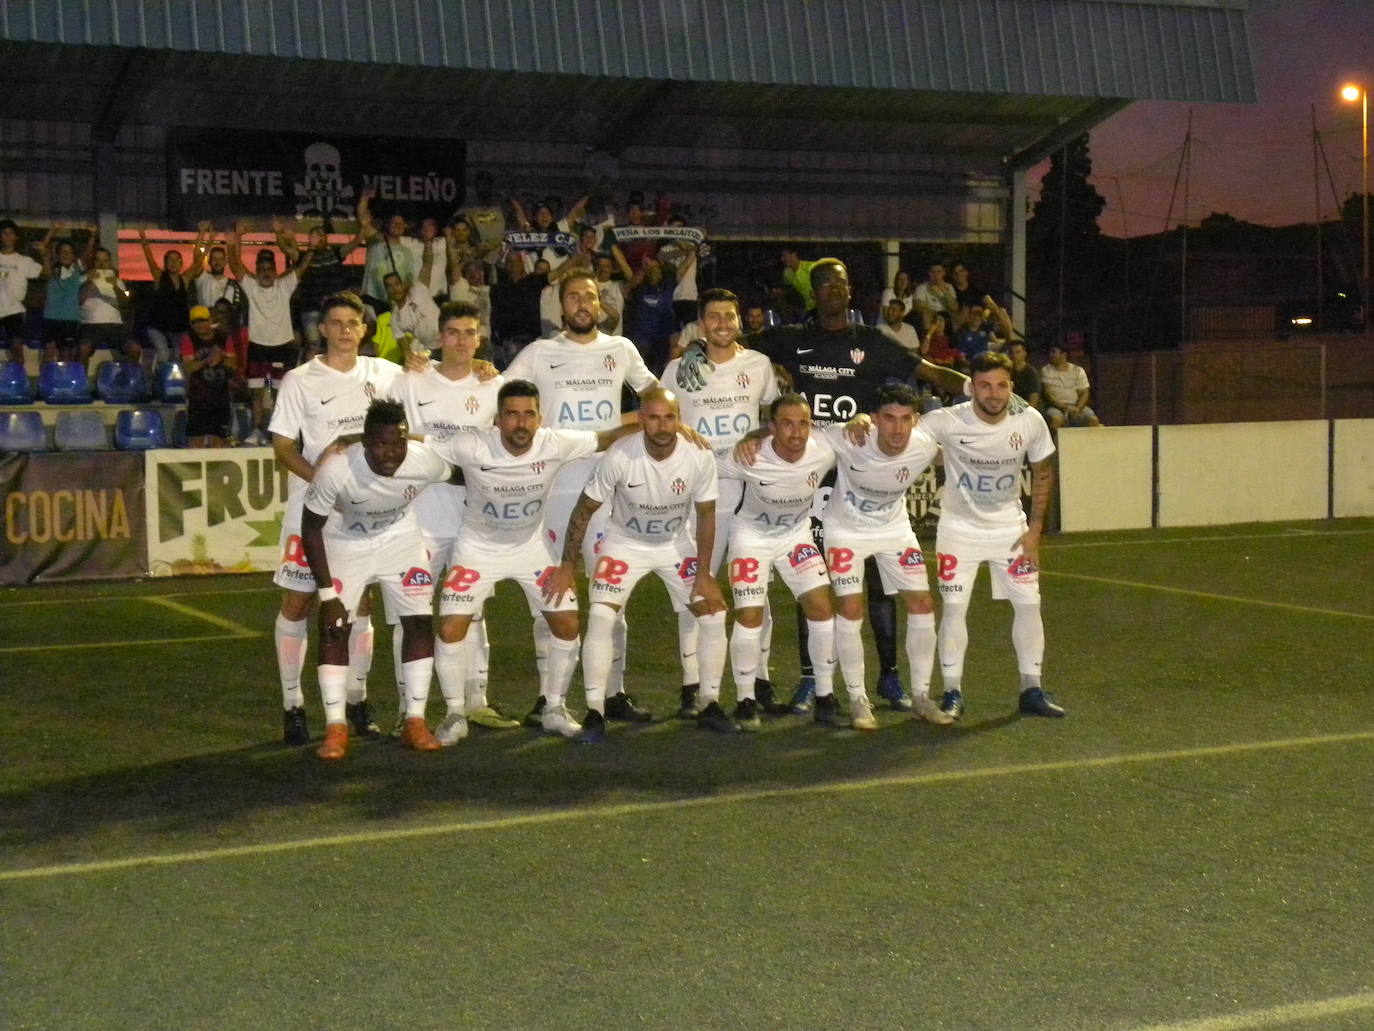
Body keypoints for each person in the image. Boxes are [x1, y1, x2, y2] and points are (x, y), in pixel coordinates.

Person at [676, 257, 968, 714]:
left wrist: (983, 389)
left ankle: (889, 676)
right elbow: (733, 341)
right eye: (823, 284)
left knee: (876, 584)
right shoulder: (792, 339)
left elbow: (930, 372)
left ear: (851, 290)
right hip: (805, 474)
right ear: (813, 293)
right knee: (810, 582)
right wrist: (695, 347)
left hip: (856, 468)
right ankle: (814, 679)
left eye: (840, 283)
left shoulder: (872, 341)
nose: (833, 289)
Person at [426, 379, 648, 742]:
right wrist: (349, 442)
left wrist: (661, 422)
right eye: (512, 415)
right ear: (497, 420)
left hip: (529, 547)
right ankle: (454, 714)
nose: (521, 423)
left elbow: (607, 437)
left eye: (528, 414)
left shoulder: (553, 442)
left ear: (539, 418)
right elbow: (418, 444)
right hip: (477, 549)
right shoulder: (471, 444)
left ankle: (555, 708)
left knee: (567, 622)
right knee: (451, 628)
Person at [505, 271, 658, 725]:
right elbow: (497, 393)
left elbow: (655, 394)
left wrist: (641, 418)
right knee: (550, 597)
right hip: (551, 492)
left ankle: (614, 692)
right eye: (573, 297)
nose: (581, 304)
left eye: (589, 296)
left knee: (612, 598)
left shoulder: (621, 349)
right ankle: (545, 697)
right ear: (560, 307)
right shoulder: (539, 352)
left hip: (607, 492)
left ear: (600, 303)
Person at [541, 386, 726, 742]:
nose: (661, 426)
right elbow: (584, 509)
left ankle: (710, 703)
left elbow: (706, 516)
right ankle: (595, 711)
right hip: (624, 543)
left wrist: (704, 575)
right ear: (640, 420)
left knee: (713, 611)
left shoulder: (698, 456)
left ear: (679, 420)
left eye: (669, 417)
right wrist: (567, 566)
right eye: (653, 417)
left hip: (675, 544)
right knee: (600, 616)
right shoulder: (620, 454)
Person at [267, 291, 405, 747]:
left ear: (364, 329)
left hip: (365, 509)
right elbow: (283, 447)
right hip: (310, 510)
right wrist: (322, 484)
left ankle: (356, 700)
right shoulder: (300, 379)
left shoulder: (386, 374)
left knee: (361, 604)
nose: (345, 330)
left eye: (353, 323)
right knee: (298, 604)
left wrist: (484, 368)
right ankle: (292, 705)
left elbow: (436, 390)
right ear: (322, 329)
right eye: (336, 323)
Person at [299, 398, 450, 760]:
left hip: (401, 541)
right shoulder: (336, 470)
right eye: (381, 444)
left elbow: (463, 474)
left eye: (398, 443)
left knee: (418, 623)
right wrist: (326, 594)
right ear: (365, 442)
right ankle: (336, 727)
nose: (391, 453)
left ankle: (414, 720)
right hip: (347, 543)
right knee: (334, 625)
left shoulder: (423, 460)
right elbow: (310, 528)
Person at [918, 351, 1063, 720]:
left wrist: (1034, 531)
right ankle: (952, 691)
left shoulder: (1029, 421)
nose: (993, 393)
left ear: (1011, 387)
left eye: (1001, 385)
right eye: (984, 385)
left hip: (1010, 532)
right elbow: (900, 432)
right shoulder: (947, 421)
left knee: (1029, 604)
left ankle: (1031, 688)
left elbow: (1043, 472)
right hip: (957, 532)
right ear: (971, 387)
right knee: (953, 609)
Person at [662, 287, 781, 717]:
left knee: (756, 588)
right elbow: (659, 415)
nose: (723, 324)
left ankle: (760, 678)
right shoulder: (679, 368)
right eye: (714, 317)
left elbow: (774, 416)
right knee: (696, 586)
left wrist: (758, 434)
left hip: (746, 491)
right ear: (701, 323)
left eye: (729, 316)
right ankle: (692, 685)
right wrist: (678, 428)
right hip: (696, 493)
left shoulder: (759, 364)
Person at [396, 300, 510, 732]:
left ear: (479, 339)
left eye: (469, 333)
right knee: (414, 613)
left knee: (474, 611)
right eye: (453, 332)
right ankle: (412, 709)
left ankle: (475, 700)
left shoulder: (495, 386)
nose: (461, 341)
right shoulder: (412, 379)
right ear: (439, 337)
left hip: (473, 519)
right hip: (419, 516)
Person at [822, 384, 951, 727]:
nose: (897, 428)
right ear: (875, 419)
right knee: (850, 608)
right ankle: (858, 699)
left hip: (894, 529)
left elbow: (966, 450)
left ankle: (922, 696)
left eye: (905, 419)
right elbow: (796, 434)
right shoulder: (849, 437)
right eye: (889, 419)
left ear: (916, 420)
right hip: (845, 530)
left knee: (922, 604)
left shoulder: (923, 445)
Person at [717, 394, 842, 730]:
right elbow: (699, 462)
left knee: (821, 607)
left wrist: (861, 423)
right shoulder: (750, 455)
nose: (797, 432)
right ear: (771, 428)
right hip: (751, 538)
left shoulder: (824, 449)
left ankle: (826, 696)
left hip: (795, 537)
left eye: (803, 423)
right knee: (750, 615)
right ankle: (745, 701)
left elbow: (862, 435)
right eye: (787, 423)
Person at [226, 225, 312, 444]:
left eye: (269, 269)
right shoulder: (252, 286)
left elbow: (302, 266)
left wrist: (310, 247)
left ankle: (277, 434)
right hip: (258, 347)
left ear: (275, 271)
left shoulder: (284, 286)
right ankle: (256, 432)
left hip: (283, 347)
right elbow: (235, 265)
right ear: (256, 270)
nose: (265, 273)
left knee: (279, 396)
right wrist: (234, 240)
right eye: (261, 268)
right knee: (256, 394)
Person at [179, 304, 242, 447]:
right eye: (195, 322)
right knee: (196, 440)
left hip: (220, 396)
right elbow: (188, 367)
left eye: (203, 320)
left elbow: (233, 364)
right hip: (197, 397)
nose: (200, 325)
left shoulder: (224, 338)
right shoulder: (189, 339)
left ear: (210, 320)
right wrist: (207, 360)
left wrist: (221, 358)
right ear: (191, 324)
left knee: (218, 439)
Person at [135, 226, 192, 372]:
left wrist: (205, 236)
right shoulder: (160, 277)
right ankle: (159, 380)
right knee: (163, 353)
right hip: (158, 326)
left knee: (182, 355)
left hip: (178, 327)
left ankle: (179, 382)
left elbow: (198, 260)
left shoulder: (184, 279)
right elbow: (149, 257)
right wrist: (142, 237)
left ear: (181, 263)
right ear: (165, 263)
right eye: (169, 260)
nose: (173, 263)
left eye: (176, 260)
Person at [37, 222, 94, 362]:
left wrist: (93, 235)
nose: (66, 254)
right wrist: (52, 229)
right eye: (62, 251)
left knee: (67, 352)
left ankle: (66, 381)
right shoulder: (51, 269)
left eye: (69, 251)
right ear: (57, 254)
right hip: (51, 317)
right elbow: (43, 249)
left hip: (70, 318)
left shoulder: (77, 269)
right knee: (49, 350)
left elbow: (87, 253)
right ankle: (47, 380)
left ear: (74, 255)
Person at [77, 246, 131, 364]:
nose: (102, 264)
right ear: (93, 261)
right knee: (83, 349)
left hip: (115, 324)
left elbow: (125, 303)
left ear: (110, 262)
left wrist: (115, 286)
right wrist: (89, 282)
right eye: (98, 260)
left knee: (134, 348)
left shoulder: (117, 281)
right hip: (90, 325)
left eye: (105, 260)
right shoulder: (83, 279)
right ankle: (81, 380)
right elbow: (79, 301)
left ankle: (130, 379)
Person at [1040, 345, 1102, 428]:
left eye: (1054, 352)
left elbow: (1084, 392)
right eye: (1051, 352)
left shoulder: (1078, 370)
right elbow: (1048, 394)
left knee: (1093, 420)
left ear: (1064, 355)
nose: (1051, 355)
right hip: (1055, 407)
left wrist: (1078, 408)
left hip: (1076, 406)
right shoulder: (1046, 370)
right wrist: (1064, 407)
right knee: (1056, 419)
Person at [912, 261, 958, 334]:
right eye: (933, 272)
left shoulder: (949, 287)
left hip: (946, 317)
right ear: (929, 273)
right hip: (931, 316)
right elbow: (919, 306)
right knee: (926, 316)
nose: (936, 275)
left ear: (943, 273)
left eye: (939, 271)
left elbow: (954, 307)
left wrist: (944, 290)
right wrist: (936, 315)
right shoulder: (922, 287)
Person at [780, 248, 818, 312]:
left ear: (794, 255)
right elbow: (789, 289)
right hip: (808, 308)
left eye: (784, 256)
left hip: (823, 305)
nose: (782, 260)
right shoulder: (786, 273)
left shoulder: (811, 266)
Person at [1007, 340, 1041, 409]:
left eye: (1018, 352)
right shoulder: (1006, 371)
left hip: (1026, 408)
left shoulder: (1031, 373)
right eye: (1011, 352)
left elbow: (1033, 401)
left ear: (1025, 353)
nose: (1014, 355)